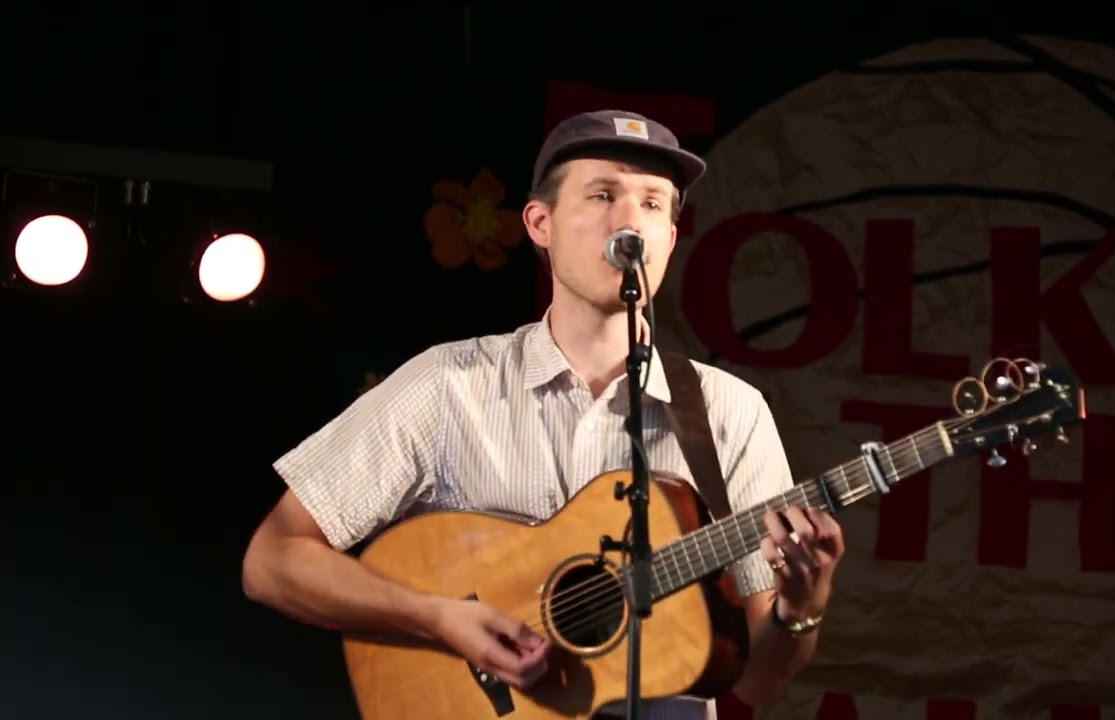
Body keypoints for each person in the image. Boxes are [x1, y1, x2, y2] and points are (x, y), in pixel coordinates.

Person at [241, 109, 846, 718]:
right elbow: (272, 560)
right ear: (540, 223)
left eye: (654, 204)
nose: (630, 220)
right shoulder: (450, 385)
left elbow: (757, 684)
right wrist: (438, 618)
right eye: (603, 194)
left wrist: (802, 607)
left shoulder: (728, 412)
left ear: (669, 239)